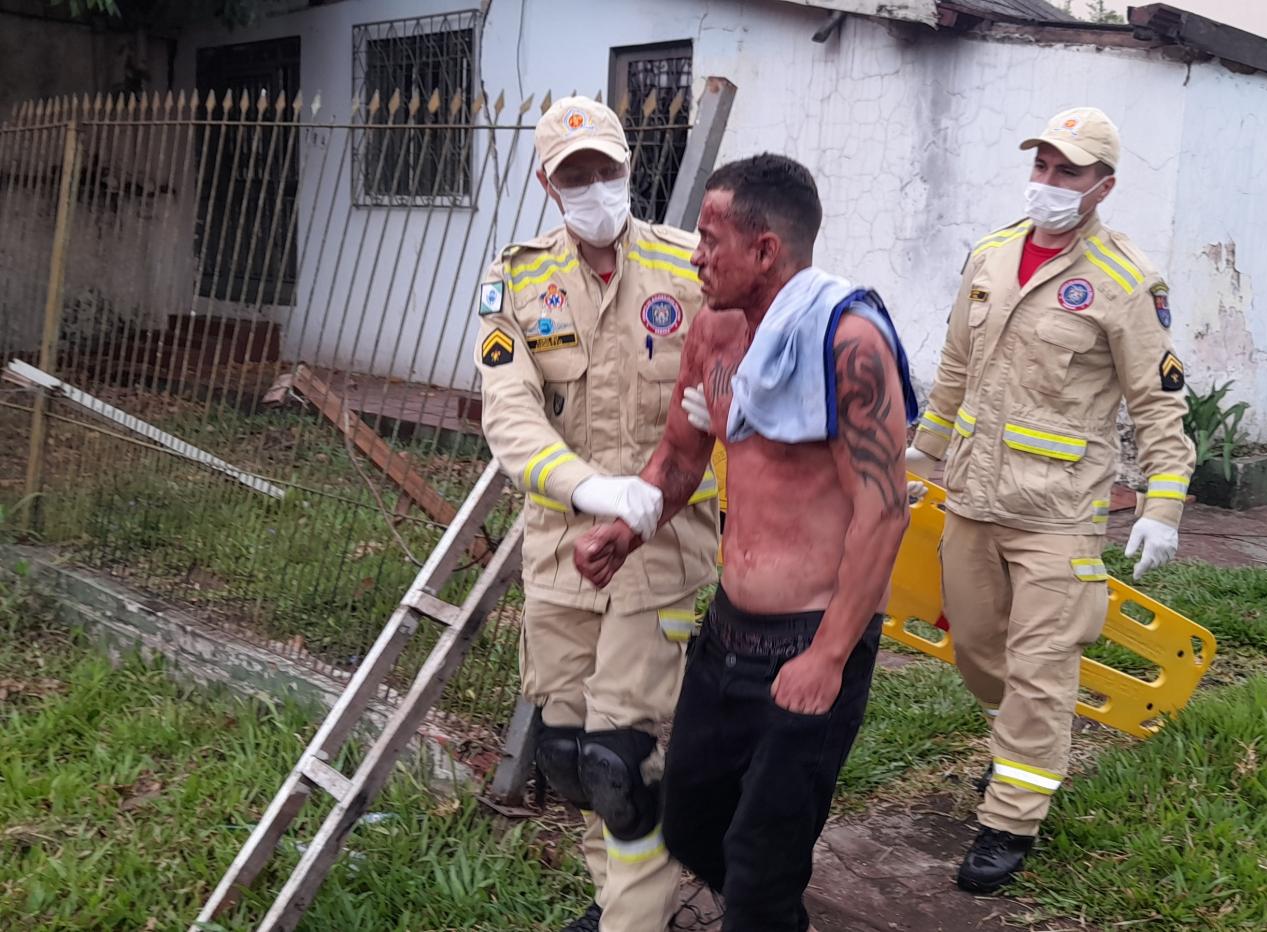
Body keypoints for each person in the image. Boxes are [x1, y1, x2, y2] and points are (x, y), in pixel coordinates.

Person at [572, 153, 918, 932]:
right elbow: (681, 458)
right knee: (693, 827)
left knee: (761, 869)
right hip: (727, 636)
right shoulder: (714, 333)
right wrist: (626, 531)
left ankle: (766, 913)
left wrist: (827, 657)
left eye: (711, 237)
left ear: (766, 251)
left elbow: (883, 512)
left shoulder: (848, 344)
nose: (694, 255)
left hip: (810, 639)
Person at [905, 107, 1196, 894]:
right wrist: (919, 457)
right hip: (970, 495)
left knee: (1040, 667)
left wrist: (1163, 506)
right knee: (974, 650)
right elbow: (955, 371)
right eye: (1042, 166)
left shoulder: (1127, 281)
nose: (1049, 183)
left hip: (1058, 511)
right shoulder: (994, 256)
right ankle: (1022, 751)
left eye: (1067, 172)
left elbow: (1158, 404)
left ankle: (1010, 819)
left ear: (1103, 186)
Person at [472, 96, 720, 932]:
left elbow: (727, 397)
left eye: (605, 169)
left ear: (629, 167)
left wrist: (643, 498)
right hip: (561, 548)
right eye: (575, 174)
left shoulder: (692, 268)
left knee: (626, 752)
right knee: (573, 750)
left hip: (662, 545)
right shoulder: (516, 280)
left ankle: (635, 921)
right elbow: (508, 413)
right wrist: (586, 488)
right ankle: (615, 892)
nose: (594, 187)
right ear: (548, 183)